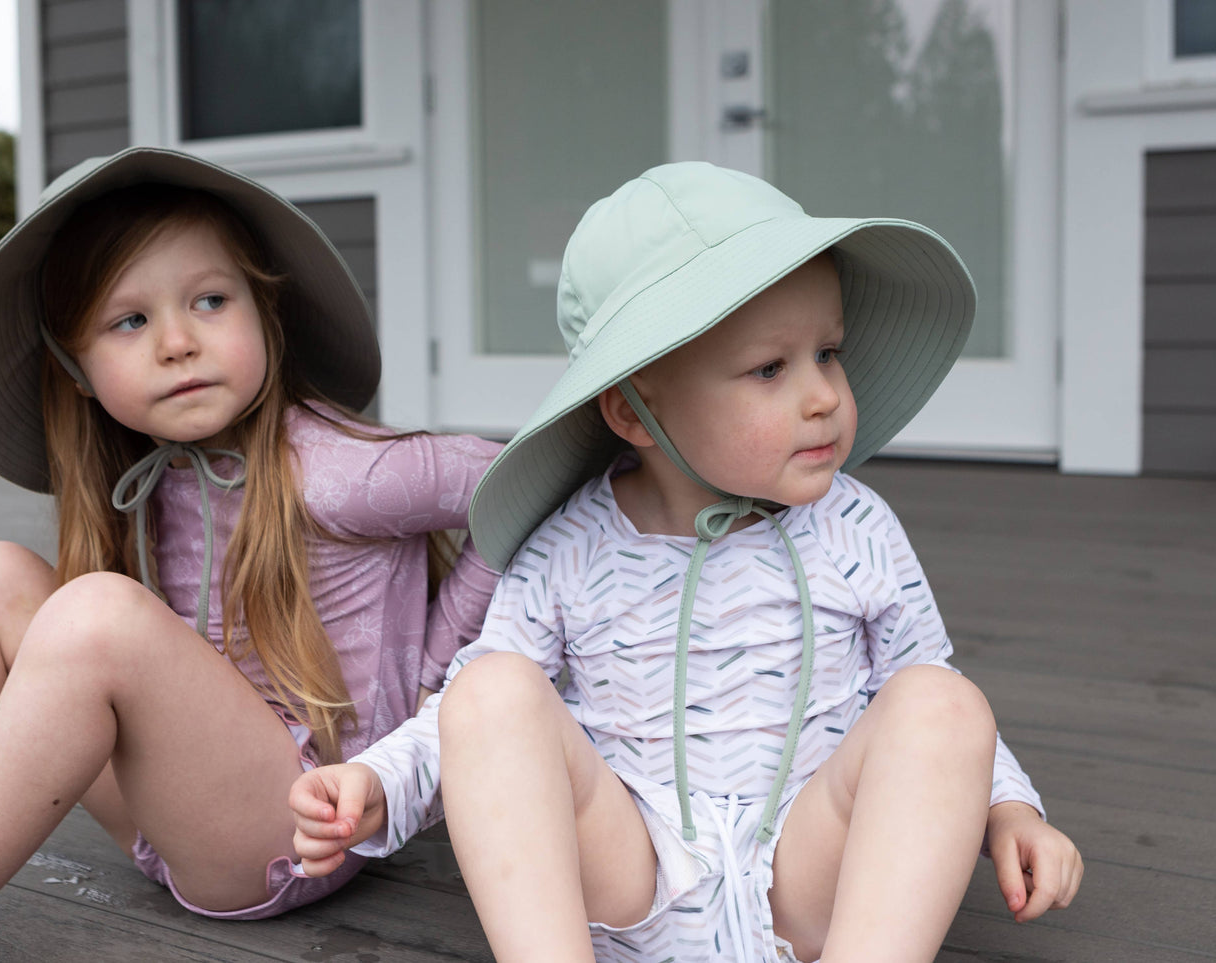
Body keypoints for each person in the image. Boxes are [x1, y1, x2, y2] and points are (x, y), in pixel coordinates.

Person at [289, 162, 1084, 962]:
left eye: (827, 353)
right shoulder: (569, 548)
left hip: (809, 887)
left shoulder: (856, 526)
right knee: (488, 691)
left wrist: (1009, 809)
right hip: (630, 874)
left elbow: (933, 707)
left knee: (942, 700)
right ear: (634, 410)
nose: (822, 396)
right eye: (770, 368)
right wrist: (379, 781)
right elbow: (466, 725)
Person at [0, 147, 501, 961]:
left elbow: (530, 481)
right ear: (75, 371)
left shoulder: (342, 471)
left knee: (95, 614)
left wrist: (435, 669)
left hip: (302, 830)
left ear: (264, 315)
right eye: (129, 320)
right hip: (176, 817)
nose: (176, 341)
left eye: (210, 300)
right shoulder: (148, 476)